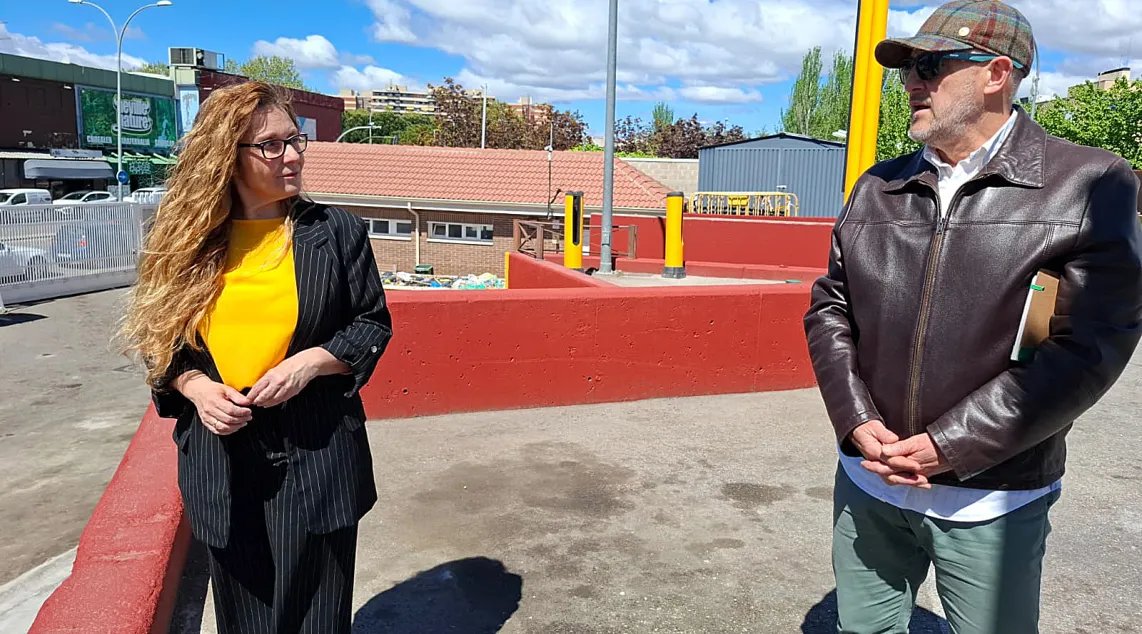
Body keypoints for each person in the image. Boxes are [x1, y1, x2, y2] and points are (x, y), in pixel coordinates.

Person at [803, 1, 1142, 633]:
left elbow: (1089, 345)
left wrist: (949, 445)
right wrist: (856, 421)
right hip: (868, 481)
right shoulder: (877, 186)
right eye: (907, 68)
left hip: (994, 498)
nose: (911, 82)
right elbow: (831, 308)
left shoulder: (1091, 182)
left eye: (930, 65)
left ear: (997, 74)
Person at [120, 81, 393, 633]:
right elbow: (160, 344)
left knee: (319, 617)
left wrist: (311, 362)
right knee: (245, 620)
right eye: (271, 145)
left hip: (318, 451)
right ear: (227, 156)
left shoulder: (336, 232)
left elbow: (371, 324)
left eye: (295, 140)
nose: (292, 156)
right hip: (223, 462)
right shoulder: (184, 241)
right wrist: (196, 388)